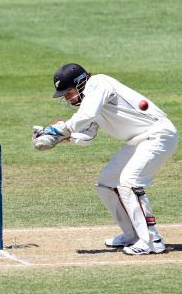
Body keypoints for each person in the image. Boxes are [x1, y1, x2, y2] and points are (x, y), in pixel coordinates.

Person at [33, 63, 178, 255]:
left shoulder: (99, 84)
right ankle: (133, 234)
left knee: (129, 182)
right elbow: (87, 136)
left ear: (80, 82)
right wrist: (62, 138)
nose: (67, 99)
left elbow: (86, 116)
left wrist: (59, 129)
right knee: (107, 182)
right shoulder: (90, 100)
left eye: (68, 93)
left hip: (158, 135)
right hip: (138, 141)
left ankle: (152, 240)